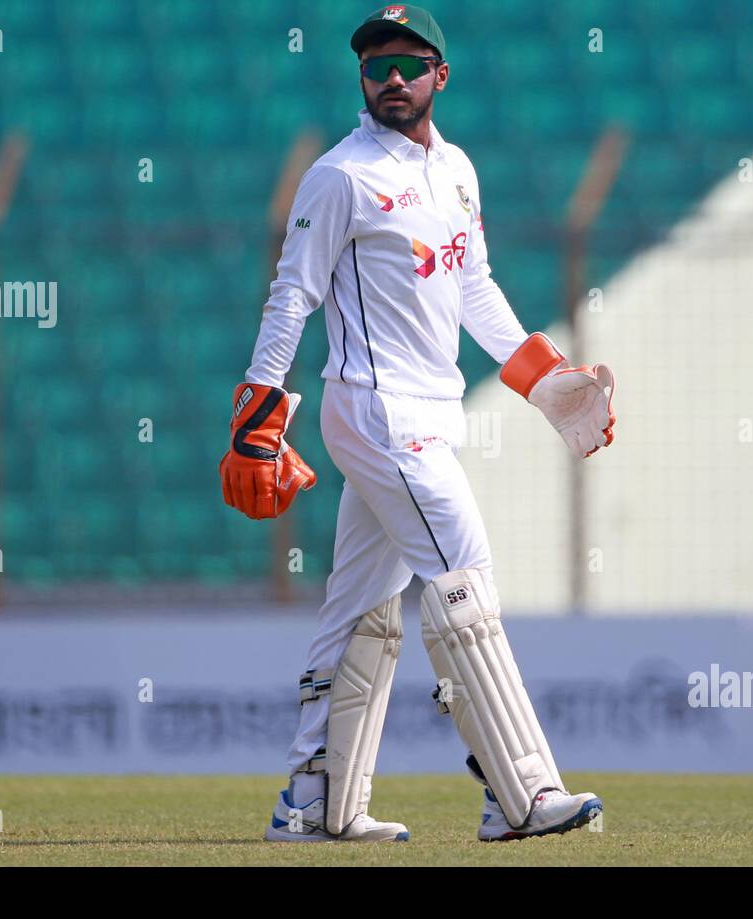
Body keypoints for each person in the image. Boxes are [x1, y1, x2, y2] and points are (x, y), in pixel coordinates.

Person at [220, 4, 615, 843]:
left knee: (361, 608)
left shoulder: (457, 170)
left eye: (408, 63)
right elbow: (294, 293)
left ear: (441, 73)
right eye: (375, 66)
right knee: (464, 573)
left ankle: (314, 802)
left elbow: (474, 288)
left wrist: (546, 382)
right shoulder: (341, 176)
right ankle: (520, 795)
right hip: (374, 407)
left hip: (432, 411)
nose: (391, 78)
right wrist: (258, 417)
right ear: (360, 79)